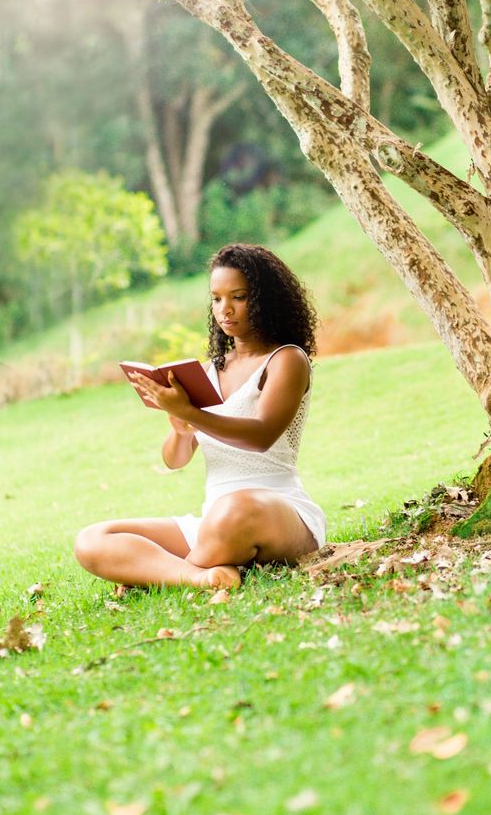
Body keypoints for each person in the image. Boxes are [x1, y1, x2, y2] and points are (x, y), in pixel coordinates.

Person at [74, 244, 325, 590]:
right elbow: (175, 460)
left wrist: (190, 412)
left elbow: (261, 434)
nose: (226, 310)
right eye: (217, 298)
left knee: (234, 509)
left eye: (238, 296)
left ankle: (153, 574)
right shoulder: (206, 373)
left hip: (275, 511)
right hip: (213, 521)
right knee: (93, 539)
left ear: (266, 299)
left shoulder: (286, 360)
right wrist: (180, 428)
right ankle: (203, 576)